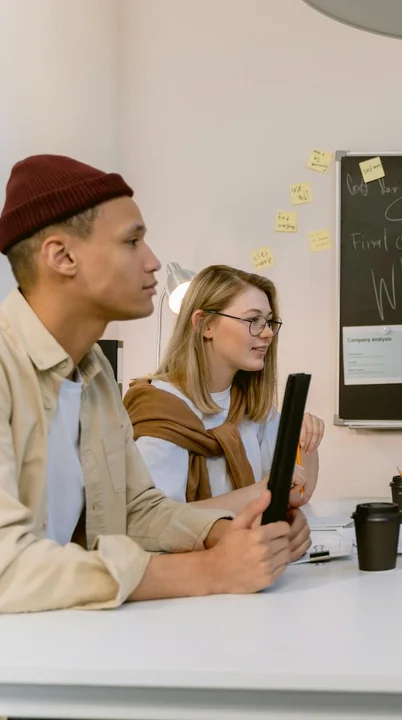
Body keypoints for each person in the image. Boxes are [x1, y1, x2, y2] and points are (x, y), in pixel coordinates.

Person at [0, 154, 307, 613]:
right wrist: (210, 570)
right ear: (62, 256)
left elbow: (137, 508)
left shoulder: (94, 375)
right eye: (132, 241)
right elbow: (8, 568)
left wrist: (228, 533)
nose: (153, 261)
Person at [123, 265, 325, 514]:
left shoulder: (251, 406)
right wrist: (258, 492)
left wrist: (307, 440)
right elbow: (154, 520)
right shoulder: (159, 408)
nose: (268, 333)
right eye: (253, 320)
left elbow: (295, 496)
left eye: (269, 321)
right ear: (204, 324)